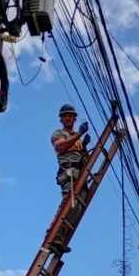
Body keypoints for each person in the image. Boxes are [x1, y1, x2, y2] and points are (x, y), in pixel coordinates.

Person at [49, 104, 90, 254]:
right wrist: (79, 135)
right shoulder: (59, 133)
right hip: (69, 170)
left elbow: (87, 158)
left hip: (80, 172)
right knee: (69, 202)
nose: (67, 118)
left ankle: (61, 236)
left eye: (70, 116)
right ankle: (53, 233)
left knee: (78, 206)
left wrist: (84, 146)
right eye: (65, 116)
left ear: (74, 118)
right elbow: (62, 148)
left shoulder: (76, 139)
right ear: (61, 119)